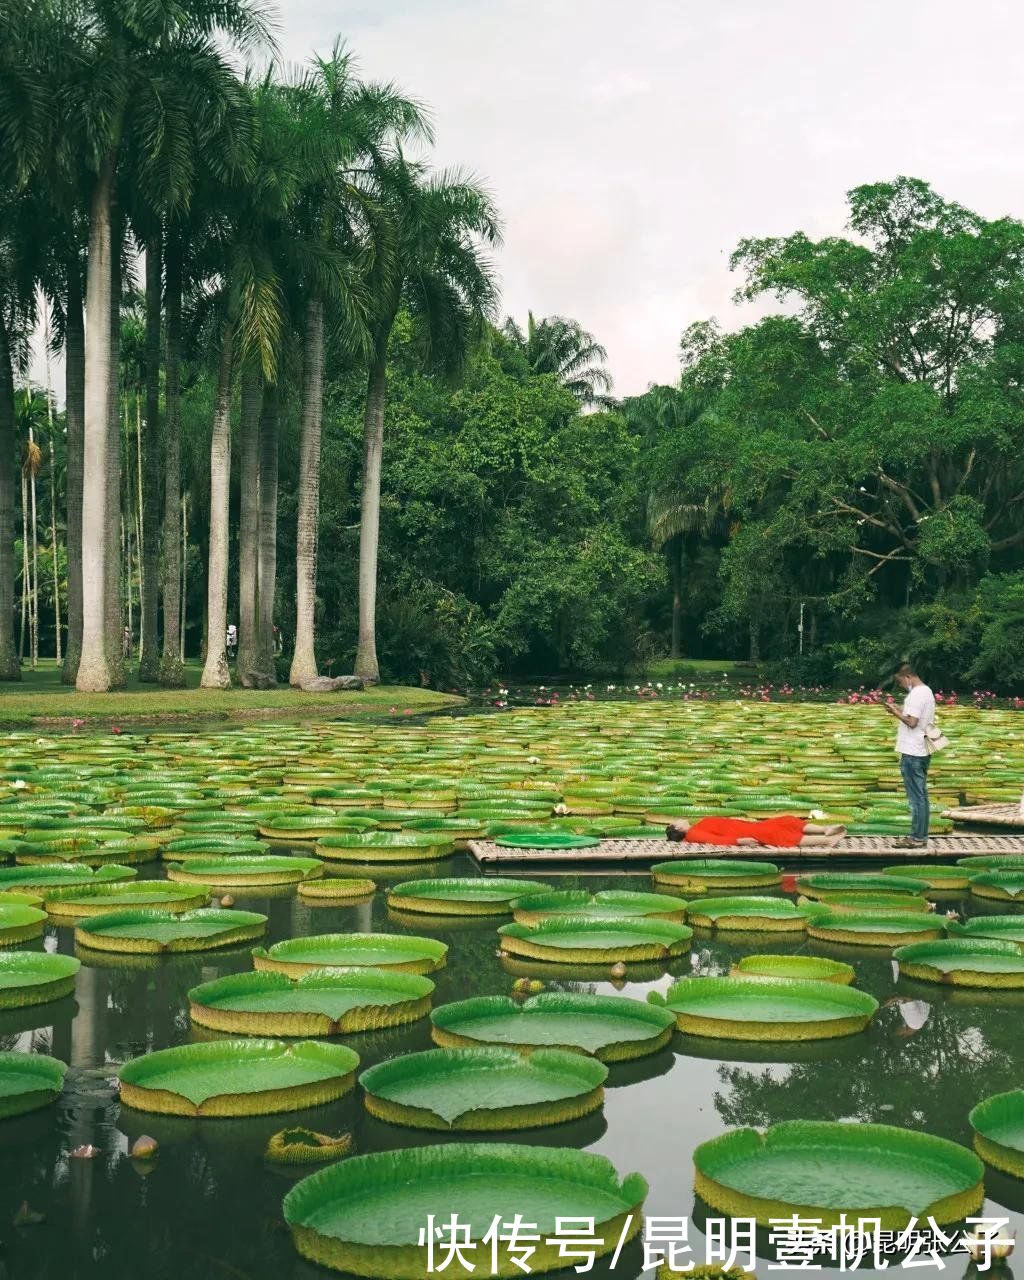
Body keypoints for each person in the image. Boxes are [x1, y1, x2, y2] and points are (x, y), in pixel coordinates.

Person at [883, 662, 936, 848]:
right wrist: (901, 710)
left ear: (907, 677)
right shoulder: (927, 691)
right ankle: (920, 835)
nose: (901, 686)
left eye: (900, 682)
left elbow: (912, 722)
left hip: (912, 751)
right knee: (921, 795)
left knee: (916, 797)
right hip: (923, 749)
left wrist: (895, 711)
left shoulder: (916, 694)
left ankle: (917, 838)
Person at [665, 814, 846, 849]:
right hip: (746, 833)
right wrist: (740, 842)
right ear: (678, 828)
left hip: (749, 826)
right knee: (780, 835)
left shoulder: (696, 826)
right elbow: (717, 841)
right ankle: (825, 841)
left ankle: (824, 830)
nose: (679, 818)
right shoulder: (693, 834)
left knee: (787, 820)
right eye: (676, 821)